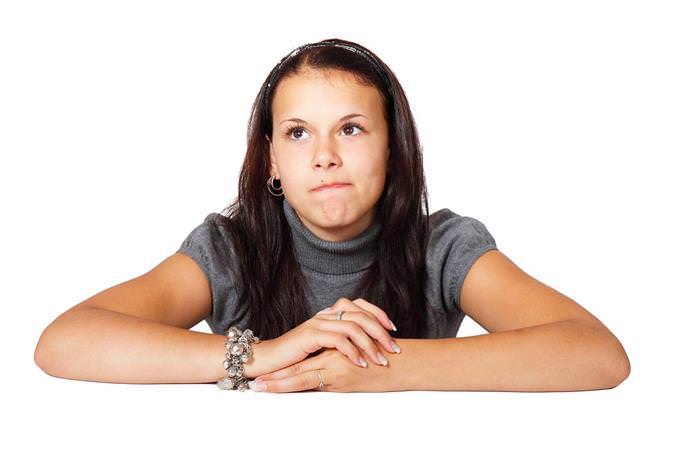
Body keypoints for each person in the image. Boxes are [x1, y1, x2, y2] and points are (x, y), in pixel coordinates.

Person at [34, 38, 630, 393]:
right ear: (271, 160)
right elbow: (64, 342)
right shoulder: (230, 250)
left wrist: (384, 369)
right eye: (297, 133)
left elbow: (596, 352)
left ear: (392, 149)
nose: (324, 156)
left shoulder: (443, 245)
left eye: (350, 128)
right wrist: (262, 354)